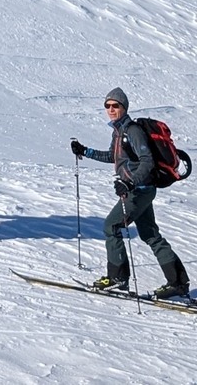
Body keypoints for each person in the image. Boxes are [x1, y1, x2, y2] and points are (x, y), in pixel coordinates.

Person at [70, 87, 190, 299]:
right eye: (107, 106)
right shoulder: (118, 131)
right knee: (150, 234)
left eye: (115, 105)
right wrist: (85, 151)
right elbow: (113, 157)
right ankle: (178, 282)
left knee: (111, 226)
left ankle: (118, 279)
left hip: (138, 190)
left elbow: (147, 162)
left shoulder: (132, 131)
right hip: (141, 189)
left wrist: (130, 183)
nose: (111, 109)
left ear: (124, 107)